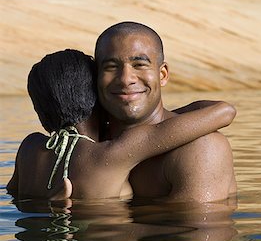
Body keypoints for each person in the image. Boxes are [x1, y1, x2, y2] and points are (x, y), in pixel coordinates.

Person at [7, 49, 235, 200]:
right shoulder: (111, 153)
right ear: (96, 95)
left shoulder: (29, 147)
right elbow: (223, 111)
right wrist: (169, 114)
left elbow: (12, 194)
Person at [95, 21, 237, 202]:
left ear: (162, 75)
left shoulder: (201, 148)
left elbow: (199, 227)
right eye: (111, 67)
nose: (125, 79)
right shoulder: (88, 146)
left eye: (139, 65)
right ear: (96, 76)